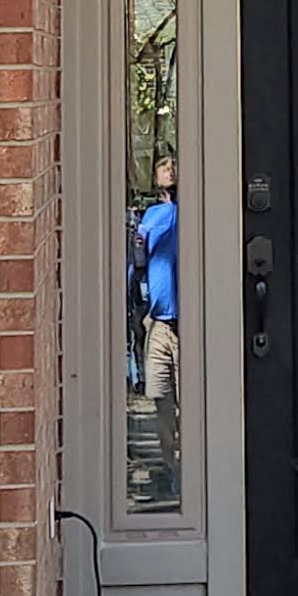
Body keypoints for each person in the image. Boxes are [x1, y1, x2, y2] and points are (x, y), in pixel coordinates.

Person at [129, 152, 180, 407]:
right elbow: (138, 263)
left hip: (187, 323)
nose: (170, 171)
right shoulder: (150, 217)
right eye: (164, 167)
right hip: (158, 321)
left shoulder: (187, 212)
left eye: (174, 167)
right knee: (160, 397)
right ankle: (169, 447)